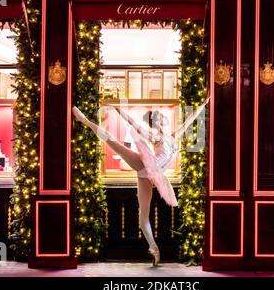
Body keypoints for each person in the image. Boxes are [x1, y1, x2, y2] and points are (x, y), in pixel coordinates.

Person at [72, 97, 209, 266]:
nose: (161, 121)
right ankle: (84, 119)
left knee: (144, 214)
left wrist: (202, 105)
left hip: (157, 176)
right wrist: (117, 108)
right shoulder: (153, 135)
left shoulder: (173, 136)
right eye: (157, 119)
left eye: (161, 119)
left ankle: (154, 249)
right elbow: (132, 122)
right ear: (153, 123)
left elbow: (189, 121)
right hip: (145, 167)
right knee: (112, 142)